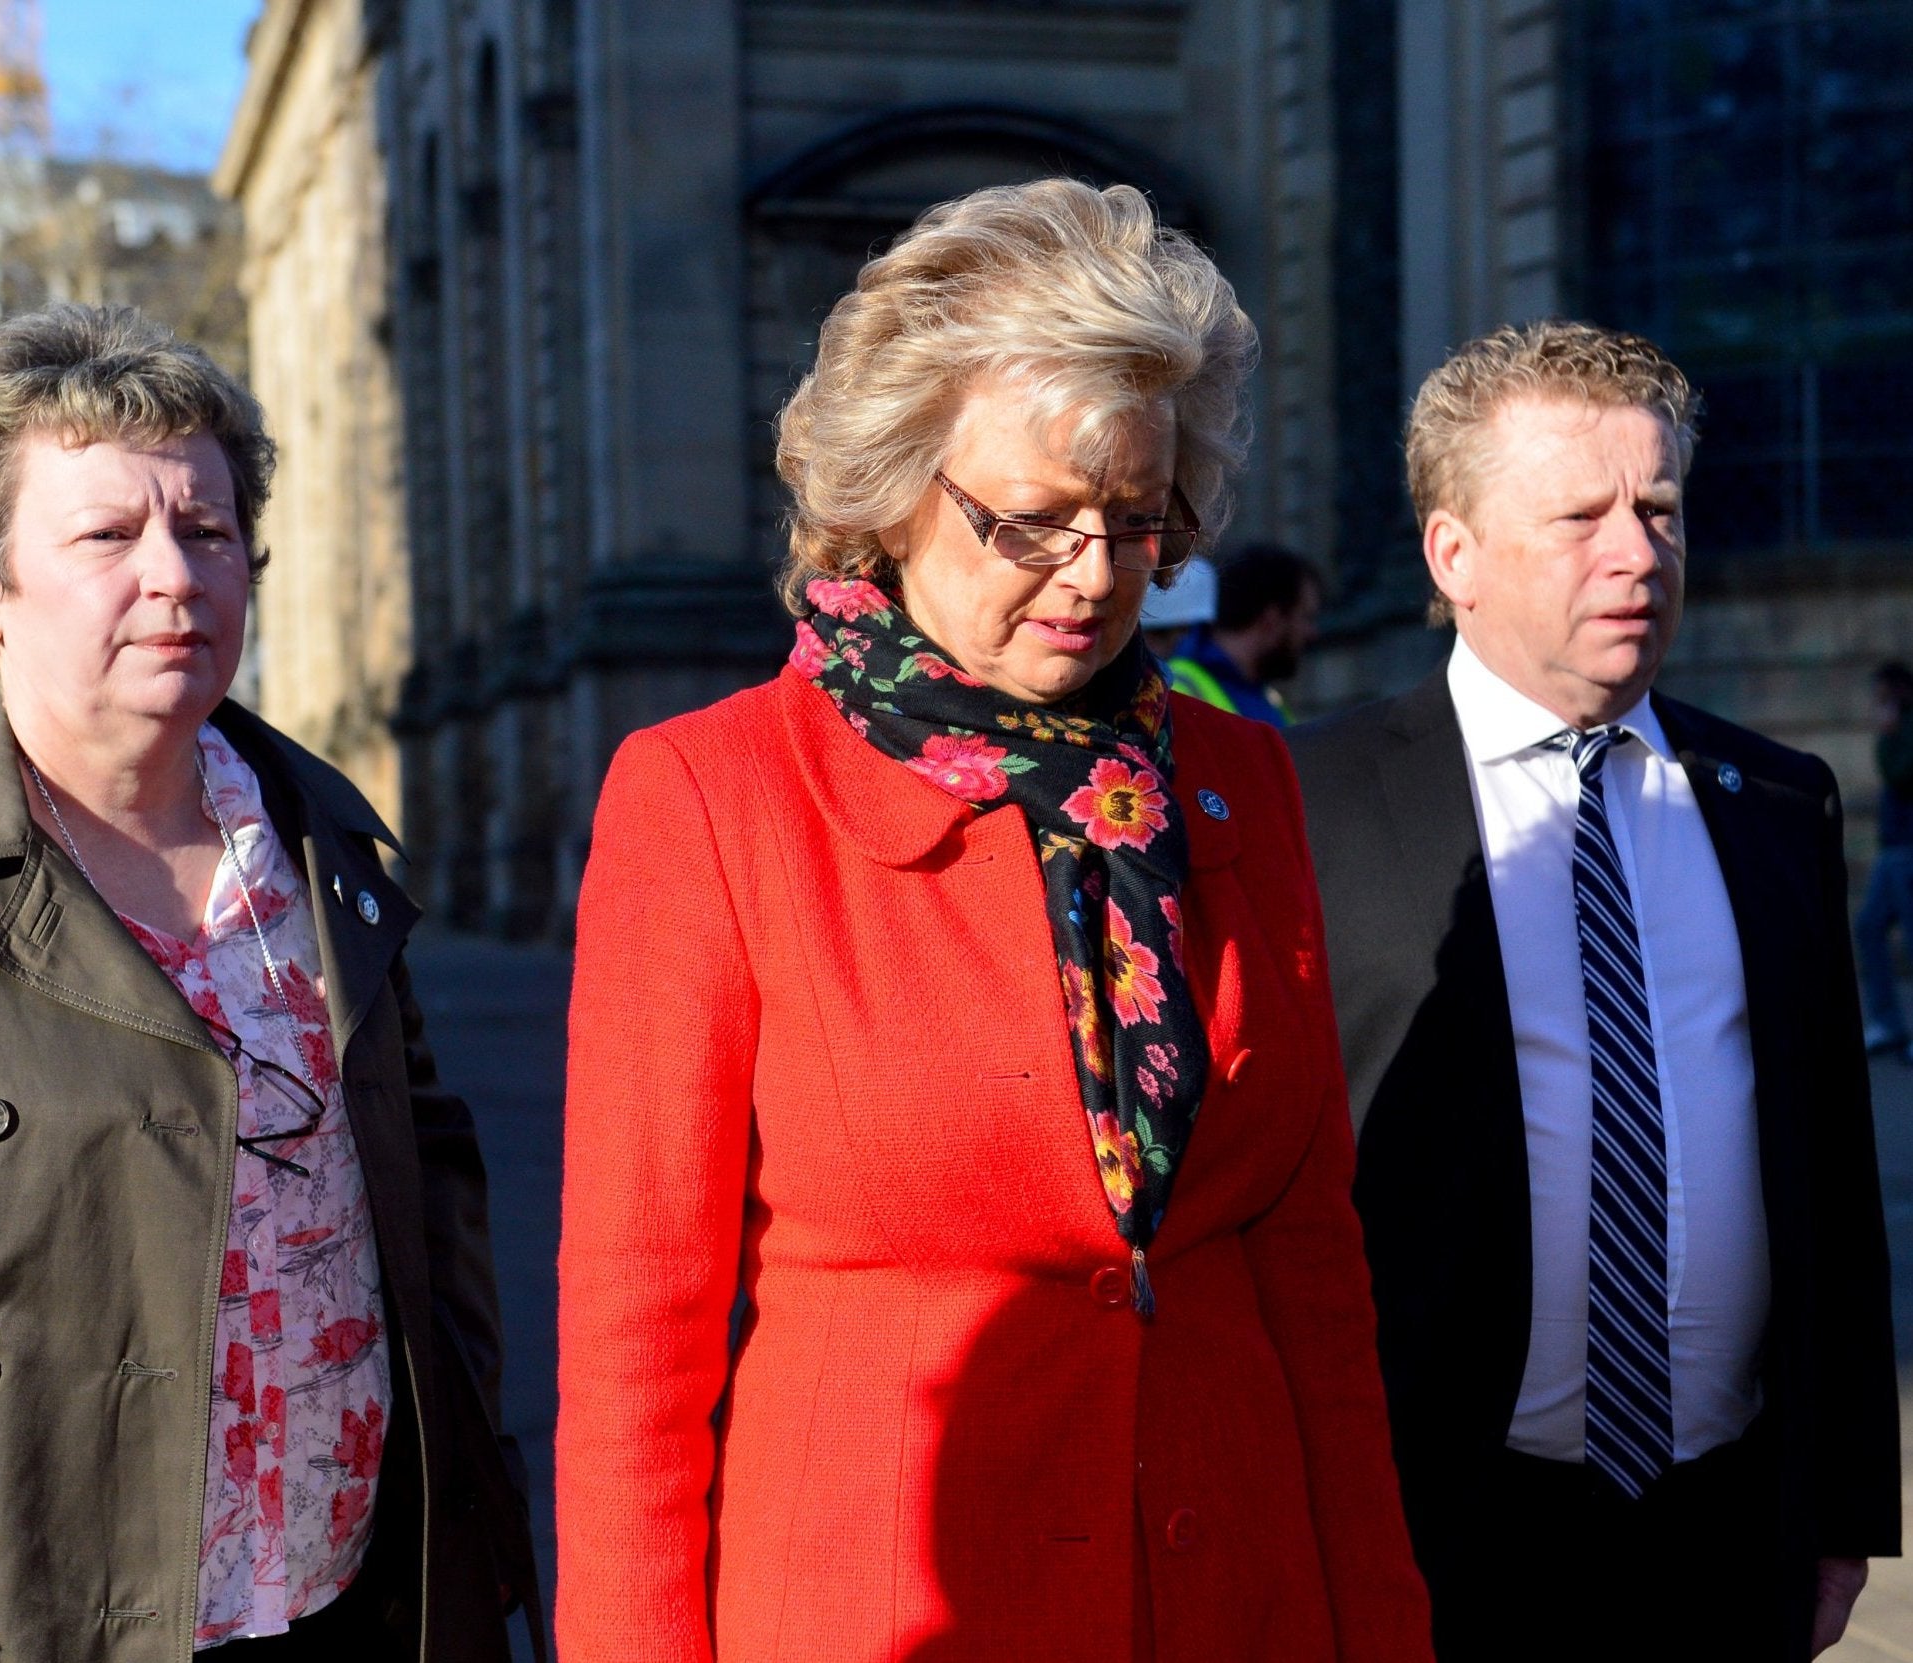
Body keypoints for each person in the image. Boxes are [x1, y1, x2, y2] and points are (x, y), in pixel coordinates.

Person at [556, 180, 1432, 1663]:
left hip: (1236, 1594)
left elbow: (1310, 1265)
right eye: (1030, 521)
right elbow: (637, 1340)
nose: (1094, 577)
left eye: (1136, 520)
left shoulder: (1236, 779)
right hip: (878, 1607)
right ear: (890, 488)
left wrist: (1380, 1626)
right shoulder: (710, 795)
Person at [0, 304, 534, 1661]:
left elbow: (428, 1197)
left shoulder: (317, 838)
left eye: (206, 531)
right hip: (31, 1603)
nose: (175, 575)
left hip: (341, 1589)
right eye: (106, 534)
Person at [1288, 321, 1898, 1663]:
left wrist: (1843, 1500)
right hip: (1430, 1523)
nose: (1638, 553)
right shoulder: (1306, 799)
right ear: (1452, 555)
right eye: (1581, 516)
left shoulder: (1774, 796)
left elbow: (1830, 1175)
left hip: (1724, 1522)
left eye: (1660, 508)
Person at [1161, 541, 1323, 726]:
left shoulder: (1268, 698)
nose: (1312, 633)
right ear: (1272, 619)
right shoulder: (1177, 688)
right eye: (1306, 617)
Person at [1855, 660, 1913, 1055]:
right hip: (1893, 850)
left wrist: (1888, 736)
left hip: (1908, 848)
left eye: (1882, 696)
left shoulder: (1906, 730)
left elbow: (1900, 774)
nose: (1878, 705)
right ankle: (1887, 1023)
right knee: (1868, 928)